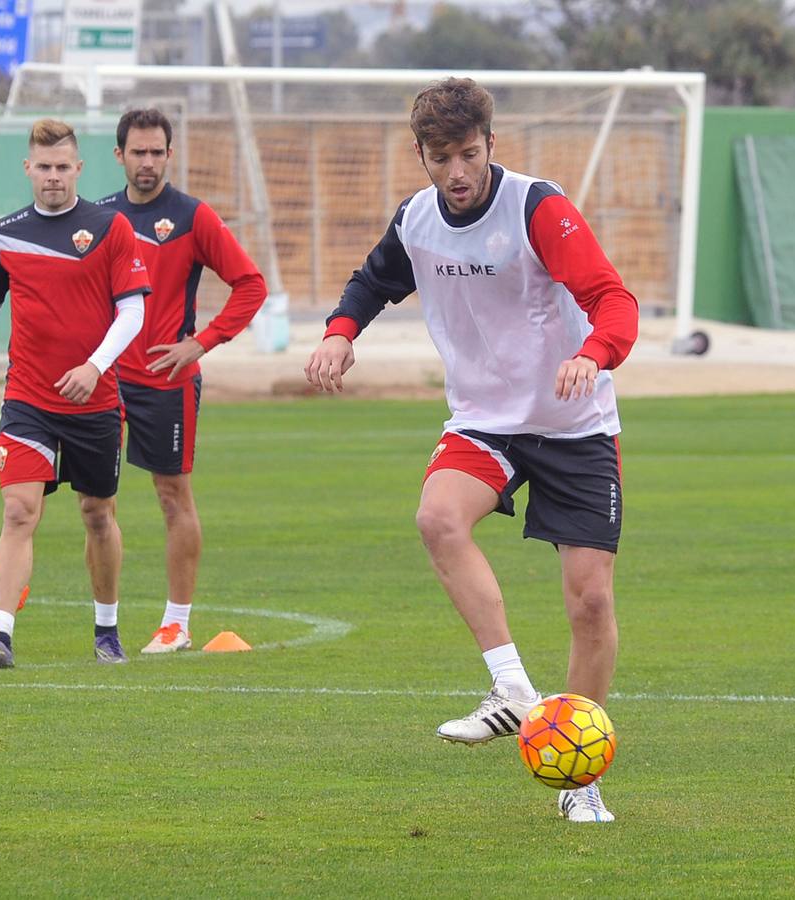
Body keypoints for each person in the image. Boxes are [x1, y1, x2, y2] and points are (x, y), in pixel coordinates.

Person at [303, 78, 638, 824]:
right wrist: (338, 332)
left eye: (468, 153)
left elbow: (613, 298)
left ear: (492, 144)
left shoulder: (536, 207)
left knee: (590, 601)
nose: (456, 172)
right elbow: (373, 282)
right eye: (440, 156)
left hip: (573, 422)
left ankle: (578, 775)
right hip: (485, 421)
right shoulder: (417, 219)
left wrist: (596, 352)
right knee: (438, 519)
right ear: (419, 154)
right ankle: (514, 689)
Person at [0, 108, 268, 655]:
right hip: (65, 388)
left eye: (156, 152)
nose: (147, 161)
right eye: (137, 152)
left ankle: (162, 622)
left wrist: (198, 343)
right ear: (117, 157)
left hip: (146, 384)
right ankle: (3, 610)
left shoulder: (182, 218)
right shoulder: (60, 224)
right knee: (45, 508)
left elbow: (245, 285)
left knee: (148, 501)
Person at [0, 119, 150, 669]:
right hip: (28, 399)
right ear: (27, 168)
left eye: (63, 167)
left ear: (79, 169)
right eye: (44, 166)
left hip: (96, 401)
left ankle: (107, 631)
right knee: (17, 512)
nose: (53, 176)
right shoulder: (5, 234)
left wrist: (94, 365)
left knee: (98, 515)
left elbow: (134, 311)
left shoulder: (109, 228)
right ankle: (0, 638)